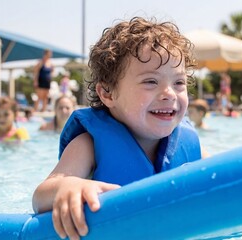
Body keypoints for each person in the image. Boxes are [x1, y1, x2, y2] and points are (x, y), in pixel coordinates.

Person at [32, 17, 207, 240]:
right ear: (108, 93)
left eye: (179, 83)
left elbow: (221, 179)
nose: (170, 93)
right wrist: (68, 186)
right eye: (151, 82)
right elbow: (40, 197)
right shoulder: (88, 145)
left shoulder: (189, 145)